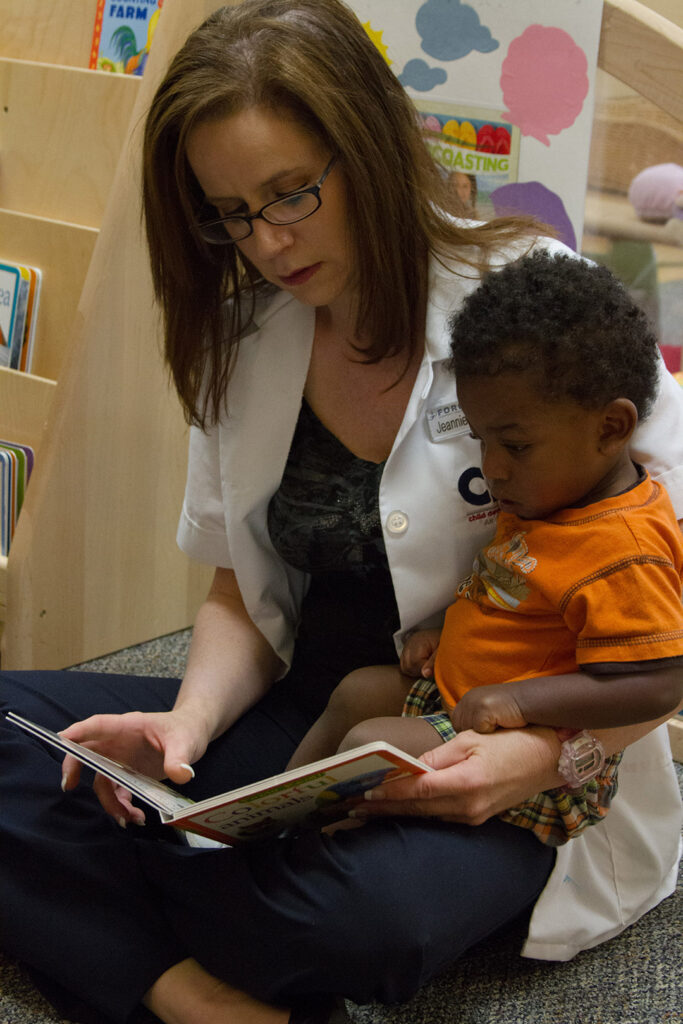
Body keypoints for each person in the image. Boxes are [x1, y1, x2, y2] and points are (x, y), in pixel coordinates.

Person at [1, 3, 682, 1024]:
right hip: (322, 712)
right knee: (64, 759)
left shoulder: (542, 307)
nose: (267, 241)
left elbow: (660, 633)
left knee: (351, 924)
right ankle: (185, 994)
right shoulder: (244, 336)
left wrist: (536, 757)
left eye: (292, 194)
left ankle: (119, 911)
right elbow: (235, 582)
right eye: (229, 211)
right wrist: (182, 731)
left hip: (509, 756)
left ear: (366, 147)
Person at [287, 252, 683, 846]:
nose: (491, 469)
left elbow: (658, 684)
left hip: (525, 750)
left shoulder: (625, 546)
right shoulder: (550, 496)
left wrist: (521, 701)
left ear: (610, 428)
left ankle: (324, 848)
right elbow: (512, 594)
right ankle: (272, 817)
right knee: (355, 693)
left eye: (516, 446)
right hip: (462, 695)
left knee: (372, 745)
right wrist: (445, 633)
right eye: (480, 439)